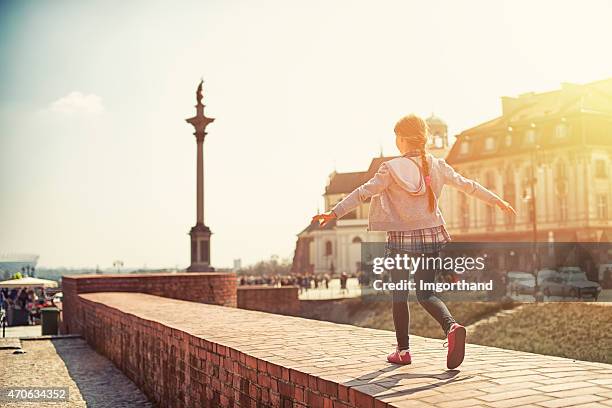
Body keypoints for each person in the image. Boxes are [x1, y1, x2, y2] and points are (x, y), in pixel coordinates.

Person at [312, 114, 516, 369]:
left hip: (400, 241)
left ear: (402, 139)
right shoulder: (438, 165)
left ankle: (403, 351)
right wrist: (497, 200)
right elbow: (468, 186)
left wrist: (334, 212)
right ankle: (451, 326)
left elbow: (363, 192)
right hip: (432, 236)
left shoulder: (390, 168)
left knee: (400, 294)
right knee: (426, 293)